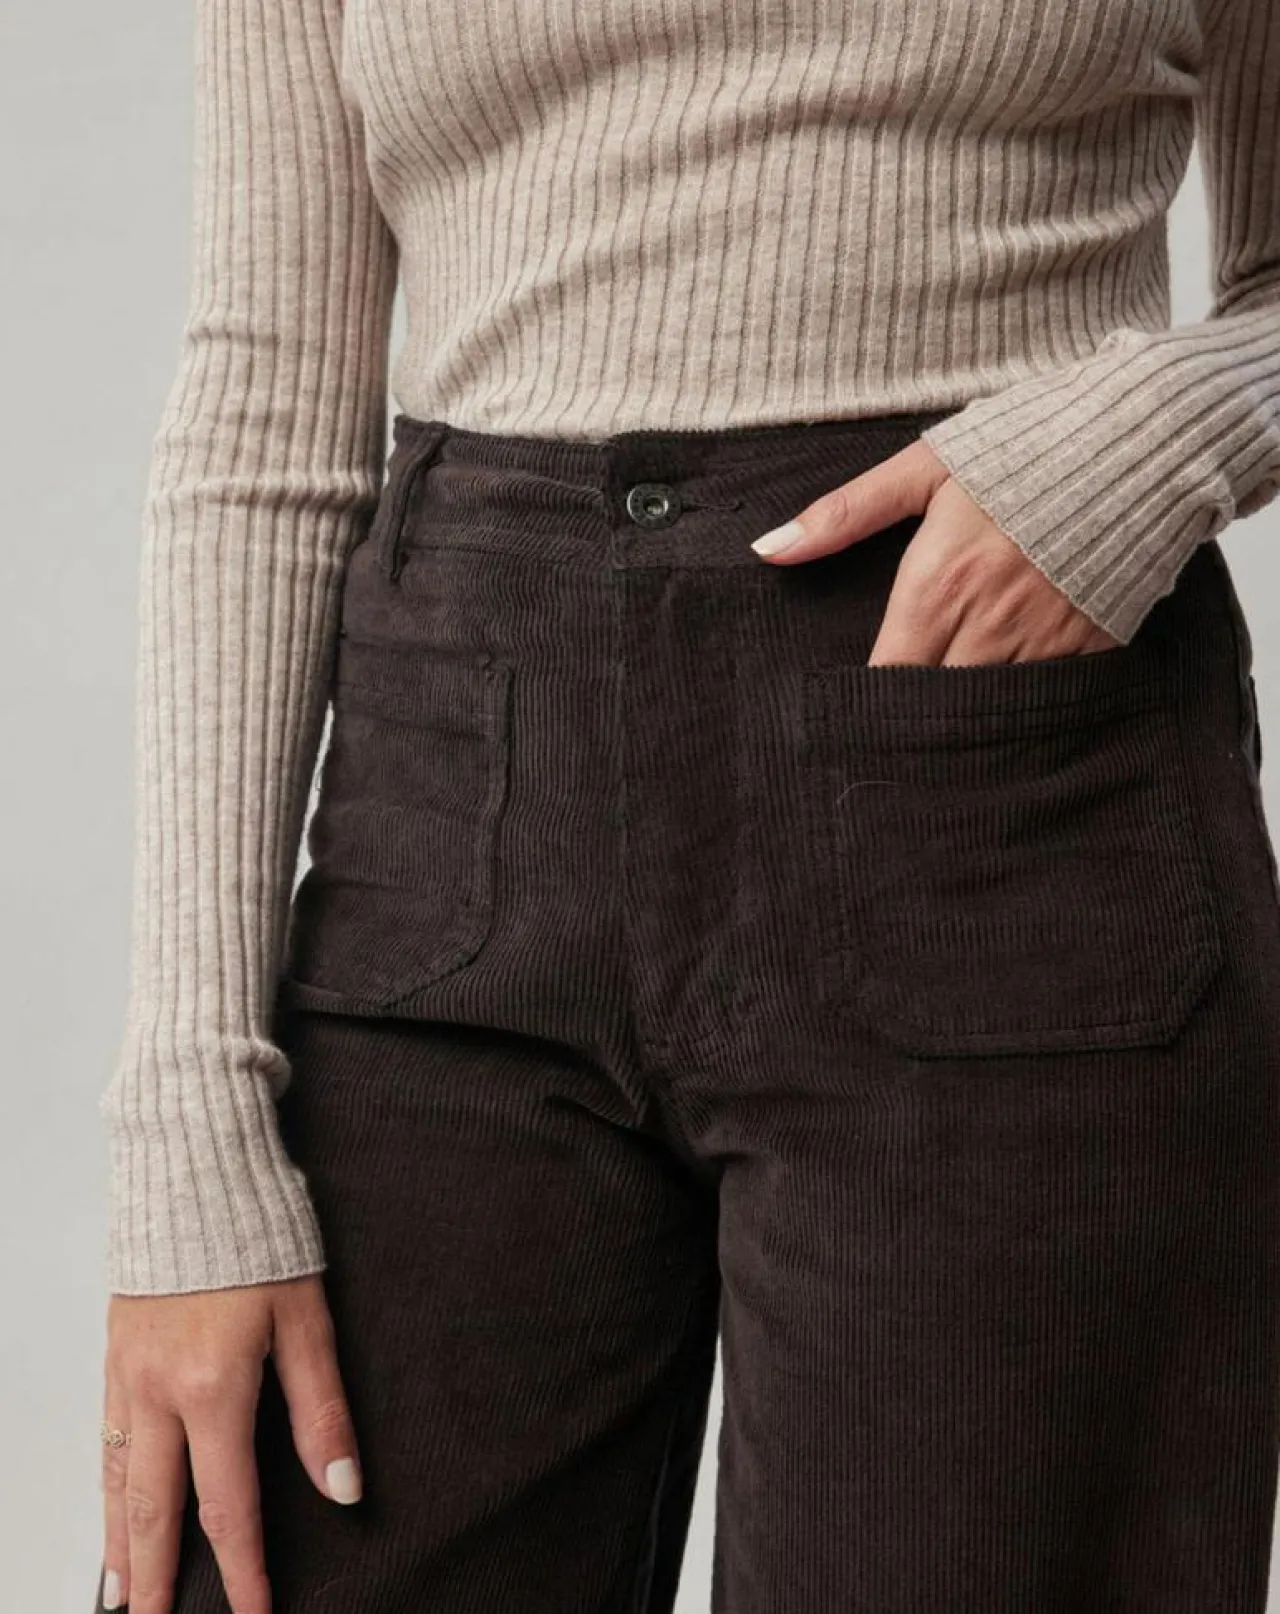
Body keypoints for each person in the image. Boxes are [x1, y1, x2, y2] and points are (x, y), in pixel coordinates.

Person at [94, 0, 1280, 1608]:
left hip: (1004, 796)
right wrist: (187, 1128)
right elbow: (266, 407)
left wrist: (1151, 435)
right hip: (454, 822)